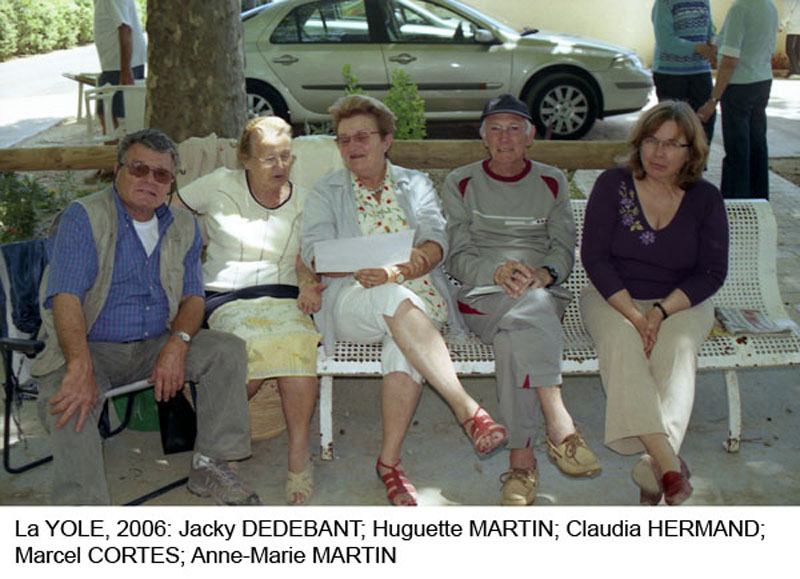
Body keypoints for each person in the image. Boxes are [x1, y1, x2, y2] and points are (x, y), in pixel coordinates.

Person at [32, 129, 259, 506]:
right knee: (67, 398)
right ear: (117, 170)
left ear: (171, 184)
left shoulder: (183, 225)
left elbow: (193, 297)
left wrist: (178, 344)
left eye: (161, 174)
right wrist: (79, 365)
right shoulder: (84, 217)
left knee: (226, 350)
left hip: (155, 342)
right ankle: (82, 511)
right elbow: (65, 296)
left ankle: (210, 465)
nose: (149, 180)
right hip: (90, 346)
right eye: (139, 169)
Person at [300, 94, 507, 506]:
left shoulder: (416, 183)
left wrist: (407, 266)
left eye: (362, 136)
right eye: (344, 139)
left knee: (404, 341)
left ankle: (389, 463)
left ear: (386, 140)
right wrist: (381, 270)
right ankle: (466, 408)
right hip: (351, 301)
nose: (352, 146)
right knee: (392, 297)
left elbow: (436, 239)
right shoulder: (327, 191)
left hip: (417, 299)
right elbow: (314, 253)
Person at [441, 94, 601, 507]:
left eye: (515, 128)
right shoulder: (461, 181)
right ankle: (558, 420)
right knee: (531, 312)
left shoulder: (552, 180)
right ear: (483, 137)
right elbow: (456, 256)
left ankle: (521, 462)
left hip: (540, 294)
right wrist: (496, 271)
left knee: (518, 333)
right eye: (495, 129)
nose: (505, 137)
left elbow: (563, 246)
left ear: (530, 136)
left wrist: (545, 273)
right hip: (482, 295)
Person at [580, 101, 728, 505]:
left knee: (677, 348)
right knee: (622, 341)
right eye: (651, 140)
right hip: (613, 296)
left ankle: (653, 468)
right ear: (639, 142)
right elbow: (595, 258)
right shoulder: (612, 185)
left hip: (681, 301)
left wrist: (660, 312)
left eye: (672, 144)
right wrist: (635, 315)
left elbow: (712, 272)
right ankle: (667, 463)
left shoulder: (706, 198)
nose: (659, 153)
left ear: (691, 152)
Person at [175, 117, 323, 505]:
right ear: (245, 159)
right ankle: (218, 450)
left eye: (286, 157)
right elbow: (170, 215)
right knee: (246, 347)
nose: (280, 166)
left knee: (299, 340)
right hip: (225, 294)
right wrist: (183, 265)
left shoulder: (306, 199)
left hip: (283, 294)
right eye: (269, 158)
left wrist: (308, 282)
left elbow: (305, 258)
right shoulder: (219, 184)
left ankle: (298, 456)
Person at [697, 0, 778, 199]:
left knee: (737, 150)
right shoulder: (769, 6)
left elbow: (730, 61)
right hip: (762, 80)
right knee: (757, 146)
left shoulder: (740, 9)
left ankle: (735, 204)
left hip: (739, 85)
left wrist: (713, 100)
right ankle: (759, 201)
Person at [651, 0, 717, 144]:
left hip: (700, 71)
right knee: (674, 125)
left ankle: (699, 158)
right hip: (670, 74)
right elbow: (665, 41)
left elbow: (709, 30)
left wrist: (713, 45)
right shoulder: (664, 3)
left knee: (705, 122)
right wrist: (697, 48)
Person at [93, 0, 146, 133]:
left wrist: (125, 69)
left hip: (119, 65)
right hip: (117, 64)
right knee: (109, 117)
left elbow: (125, 28)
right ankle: (116, 144)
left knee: (110, 118)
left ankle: (115, 146)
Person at [781, 0, 800, 79]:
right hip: (797, 28)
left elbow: (787, 14)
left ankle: (795, 72)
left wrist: (781, 25)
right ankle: (793, 70)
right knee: (797, 50)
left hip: (793, 29)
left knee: (789, 50)